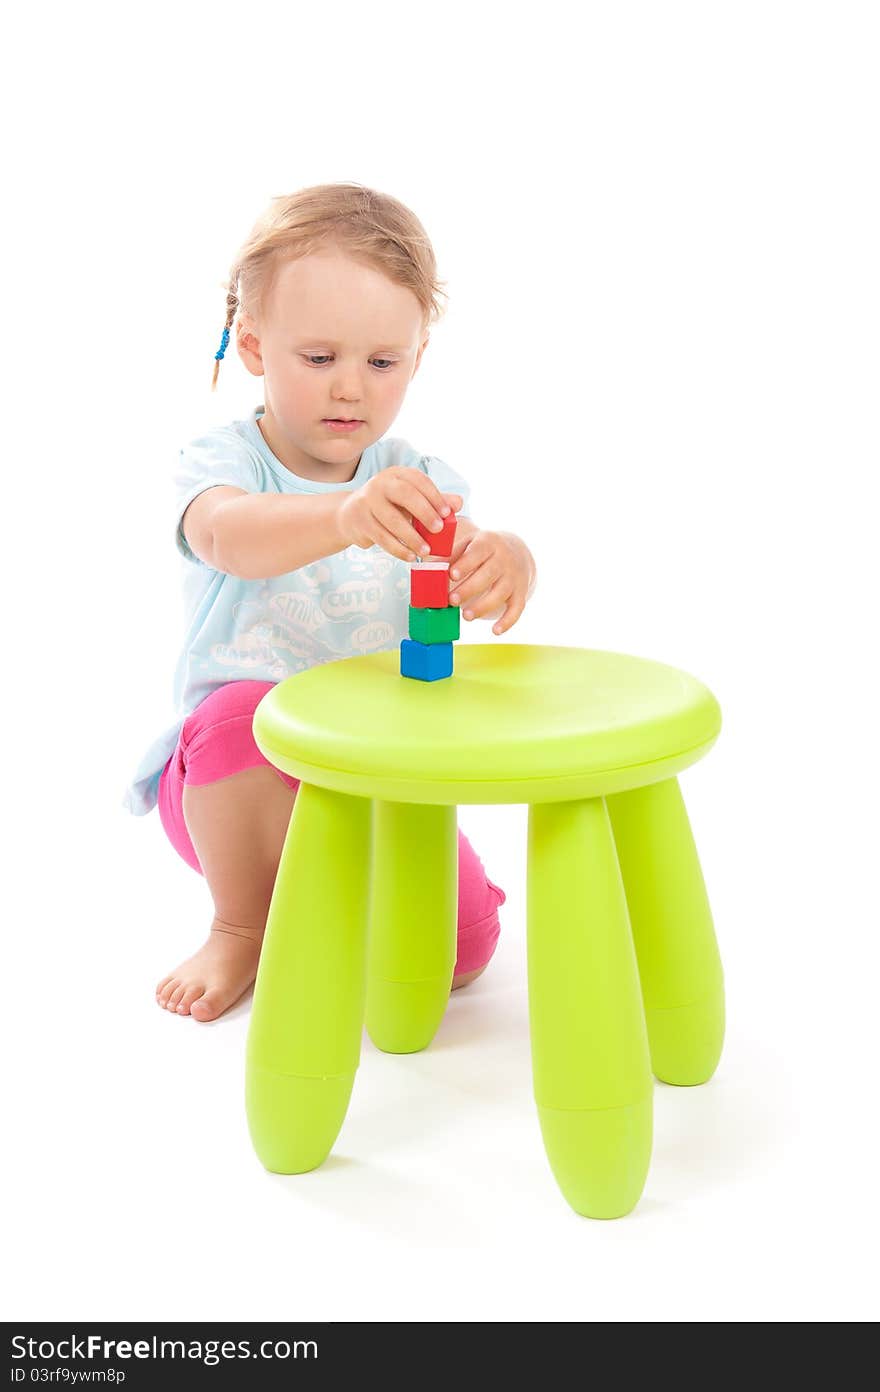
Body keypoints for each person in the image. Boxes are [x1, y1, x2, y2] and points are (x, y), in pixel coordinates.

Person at [123, 182, 537, 1022]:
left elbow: (465, 549)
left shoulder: (417, 476)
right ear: (251, 346)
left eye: (382, 363)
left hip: (373, 779)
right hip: (234, 785)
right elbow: (225, 536)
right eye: (318, 359)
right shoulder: (222, 462)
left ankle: (356, 907)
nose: (350, 389)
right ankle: (242, 924)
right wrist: (343, 515)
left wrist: (506, 562)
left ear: (416, 358)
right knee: (243, 715)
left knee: (463, 953)